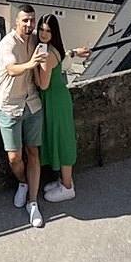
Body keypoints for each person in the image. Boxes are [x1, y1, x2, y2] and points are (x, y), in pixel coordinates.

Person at [0, 5, 47, 227]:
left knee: (33, 152)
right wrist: (32, 63)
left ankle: (33, 203)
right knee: (14, 158)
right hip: (9, 105)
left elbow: (55, 51)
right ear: (16, 22)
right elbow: (12, 69)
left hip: (31, 103)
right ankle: (23, 183)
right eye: (25, 20)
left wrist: (74, 53)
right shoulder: (7, 43)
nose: (29, 25)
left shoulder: (36, 40)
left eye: (31, 20)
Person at [34, 14, 84, 204]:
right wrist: (75, 51)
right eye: (42, 30)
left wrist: (32, 68)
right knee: (59, 136)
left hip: (53, 98)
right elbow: (63, 55)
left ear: (53, 33)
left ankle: (68, 186)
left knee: (61, 139)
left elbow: (43, 85)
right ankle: (63, 180)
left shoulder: (45, 55)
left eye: (48, 31)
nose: (44, 34)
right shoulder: (53, 49)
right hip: (57, 98)